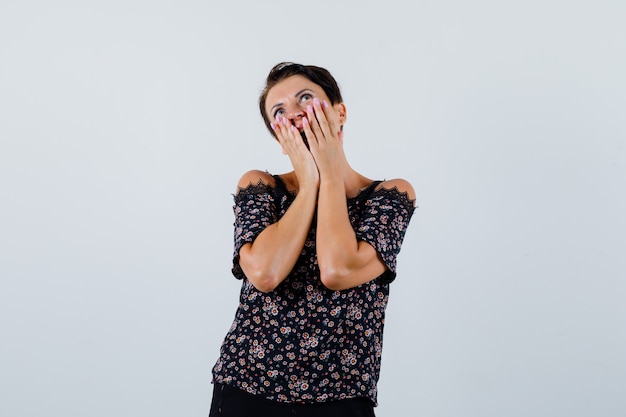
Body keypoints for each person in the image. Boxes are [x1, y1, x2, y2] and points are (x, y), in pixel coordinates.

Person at [209, 62, 416, 417]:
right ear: (279, 138)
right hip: (247, 388)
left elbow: (337, 270)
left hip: (342, 397)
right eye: (279, 111)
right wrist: (308, 185)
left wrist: (330, 177)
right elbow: (265, 273)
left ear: (340, 113)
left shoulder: (390, 195)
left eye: (305, 98)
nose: (294, 114)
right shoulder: (261, 187)